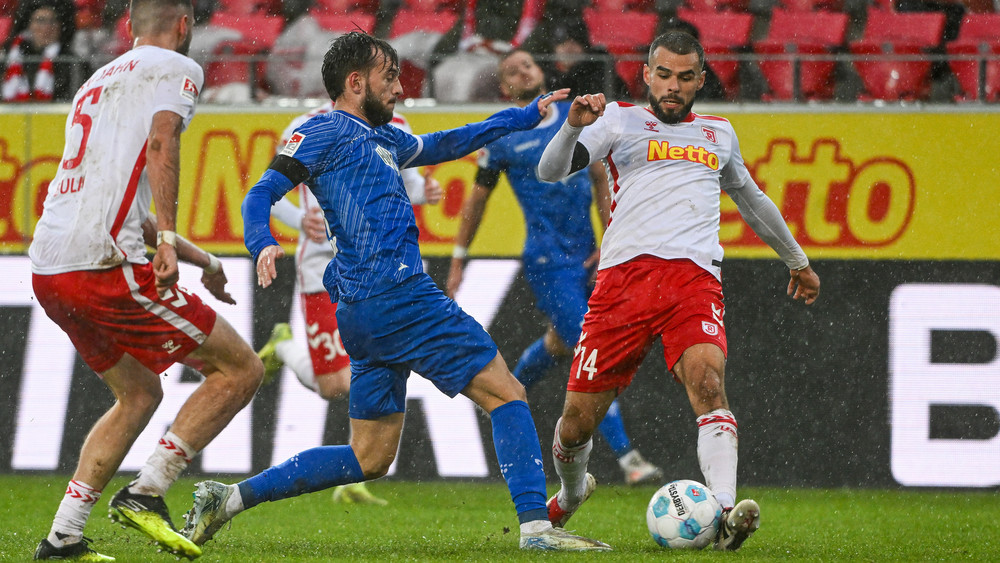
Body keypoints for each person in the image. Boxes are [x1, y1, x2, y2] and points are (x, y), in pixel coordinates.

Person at [180, 31, 610, 552]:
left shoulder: (384, 138)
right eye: (390, 79)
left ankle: (226, 500)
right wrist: (261, 241)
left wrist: (521, 116)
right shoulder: (322, 131)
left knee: (369, 456)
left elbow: (449, 143)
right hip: (399, 295)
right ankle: (537, 529)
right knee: (508, 395)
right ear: (355, 82)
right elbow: (261, 193)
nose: (401, 91)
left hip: (365, 311)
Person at [535, 30, 821, 551]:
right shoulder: (618, 119)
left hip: (693, 281)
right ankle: (571, 495)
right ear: (646, 74)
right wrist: (571, 129)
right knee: (575, 425)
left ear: (700, 81)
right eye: (663, 75)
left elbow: (753, 200)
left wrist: (797, 260)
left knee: (709, 385)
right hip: (622, 284)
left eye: (685, 77)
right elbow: (549, 171)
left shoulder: (718, 133)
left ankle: (727, 513)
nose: (672, 86)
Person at [28, 0, 264, 559]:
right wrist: (166, 242)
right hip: (103, 266)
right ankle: (147, 491)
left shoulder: (94, 83)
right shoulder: (176, 67)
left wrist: (204, 260)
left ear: (130, 26)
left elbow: (118, 202)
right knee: (241, 370)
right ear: (184, 26)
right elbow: (164, 143)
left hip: (50, 266)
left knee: (138, 394)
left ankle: (63, 536)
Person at [446, 49, 662, 487]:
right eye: (512, 70)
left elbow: (601, 177)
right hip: (547, 261)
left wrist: (610, 239)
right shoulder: (504, 135)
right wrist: (458, 257)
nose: (523, 70)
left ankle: (502, 397)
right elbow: (477, 200)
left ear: (541, 72)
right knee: (590, 345)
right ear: (507, 88)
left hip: (586, 253)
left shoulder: (575, 115)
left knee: (562, 344)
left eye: (527, 63)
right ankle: (629, 458)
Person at [259, 104, 443, 505]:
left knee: (366, 366)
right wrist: (294, 220)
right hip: (320, 264)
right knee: (334, 385)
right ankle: (284, 344)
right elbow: (270, 187)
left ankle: (354, 475)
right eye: (385, 77)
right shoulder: (308, 124)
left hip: (372, 266)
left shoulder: (396, 125)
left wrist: (425, 193)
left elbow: (405, 184)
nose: (393, 89)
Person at [2, 3, 74, 101]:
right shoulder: (9, 55)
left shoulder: (70, 60)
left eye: (52, 21)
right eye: (41, 21)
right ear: (29, 25)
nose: (47, 27)